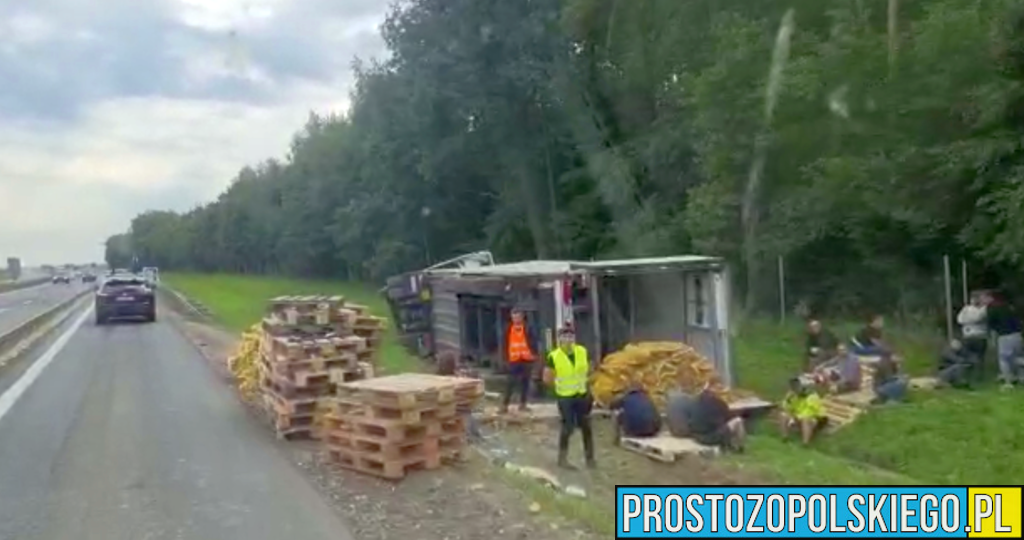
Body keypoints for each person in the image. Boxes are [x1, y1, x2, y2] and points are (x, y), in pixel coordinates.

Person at [543, 326, 596, 469]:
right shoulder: (553, 356)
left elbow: (591, 370)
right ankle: (562, 459)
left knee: (586, 427)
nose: (568, 340)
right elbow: (547, 377)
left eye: (570, 337)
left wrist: (588, 382)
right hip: (565, 397)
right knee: (568, 427)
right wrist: (557, 388)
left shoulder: (582, 351)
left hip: (582, 394)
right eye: (564, 337)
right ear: (559, 340)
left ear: (574, 338)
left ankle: (590, 459)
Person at [687, 382, 746, 452]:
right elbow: (723, 420)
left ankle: (729, 445)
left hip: (696, 436)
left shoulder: (696, 399)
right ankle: (739, 448)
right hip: (709, 437)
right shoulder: (717, 402)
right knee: (738, 421)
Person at [502, 307, 539, 413]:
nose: (516, 319)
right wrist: (505, 359)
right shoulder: (508, 329)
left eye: (518, 317)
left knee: (525, 382)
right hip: (513, 359)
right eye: (514, 317)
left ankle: (523, 404)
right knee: (510, 382)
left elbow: (533, 341)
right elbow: (505, 344)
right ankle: (505, 404)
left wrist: (535, 354)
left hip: (526, 359)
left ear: (522, 317)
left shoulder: (528, 328)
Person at [986, 292, 1022, 389]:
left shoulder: (992, 307)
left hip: (1004, 335)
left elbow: (991, 323)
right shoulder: (1010, 306)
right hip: (1017, 334)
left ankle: (1008, 381)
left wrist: (991, 338)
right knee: (1016, 357)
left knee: (1004, 359)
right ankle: (1021, 377)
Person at [780, 377, 828, 445]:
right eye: (794, 386)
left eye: (797, 386)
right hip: (799, 415)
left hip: (815, 418)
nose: (795, 389)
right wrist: (788, 401)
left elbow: (811, 412)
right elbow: (786, 407)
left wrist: (797, 417)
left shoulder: (812, 396)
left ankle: (805, 443)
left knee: (805, 419)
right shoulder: (792, 395)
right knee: (783, 415)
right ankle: (784, 437)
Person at [957, 291, 989, 377]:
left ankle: (978, 375)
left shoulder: (984, 309)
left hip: (980, 336)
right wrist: (969, 321)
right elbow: (959, 320)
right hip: (969, 336)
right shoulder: (966, 309)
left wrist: (968, 320)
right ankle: (969, 375)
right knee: (968, 356)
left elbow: (978, 318)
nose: (974, 300)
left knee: (979, 357)